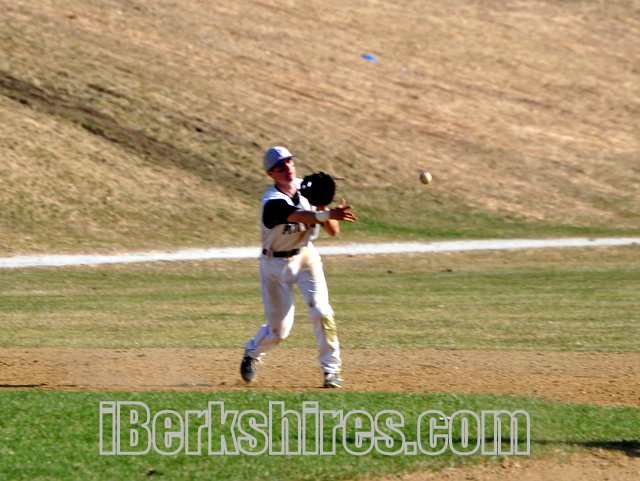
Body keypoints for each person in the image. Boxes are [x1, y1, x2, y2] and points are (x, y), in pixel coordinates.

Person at [240, 146, 357, 388]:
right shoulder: (272, 202)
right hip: (275, 264)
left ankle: (331, 370)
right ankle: (252, 354)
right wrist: (326, 214)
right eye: (280, 167)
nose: (287, 168)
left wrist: (324, 206)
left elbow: (333, 231)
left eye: (289, 162)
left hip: (305, 257)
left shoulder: (308, 189)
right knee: (279, 331)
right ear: (270, 174)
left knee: (322, 311)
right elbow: (299, 216)